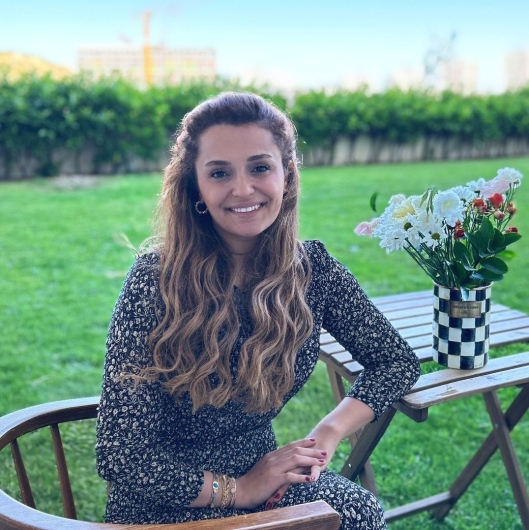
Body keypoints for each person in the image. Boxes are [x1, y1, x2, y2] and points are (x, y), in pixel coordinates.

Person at [96, 91, 421, 529]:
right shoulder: (155, 279)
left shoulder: (313, 271)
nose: (243, 189)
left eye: (260, 167)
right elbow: (120, 454)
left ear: (287, 174)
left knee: (358, 512)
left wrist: (326, 433)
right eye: (219, 173)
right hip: (165, 498)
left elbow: (396, 362)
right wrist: (238, 489)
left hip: (266, 476)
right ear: (196, 187)